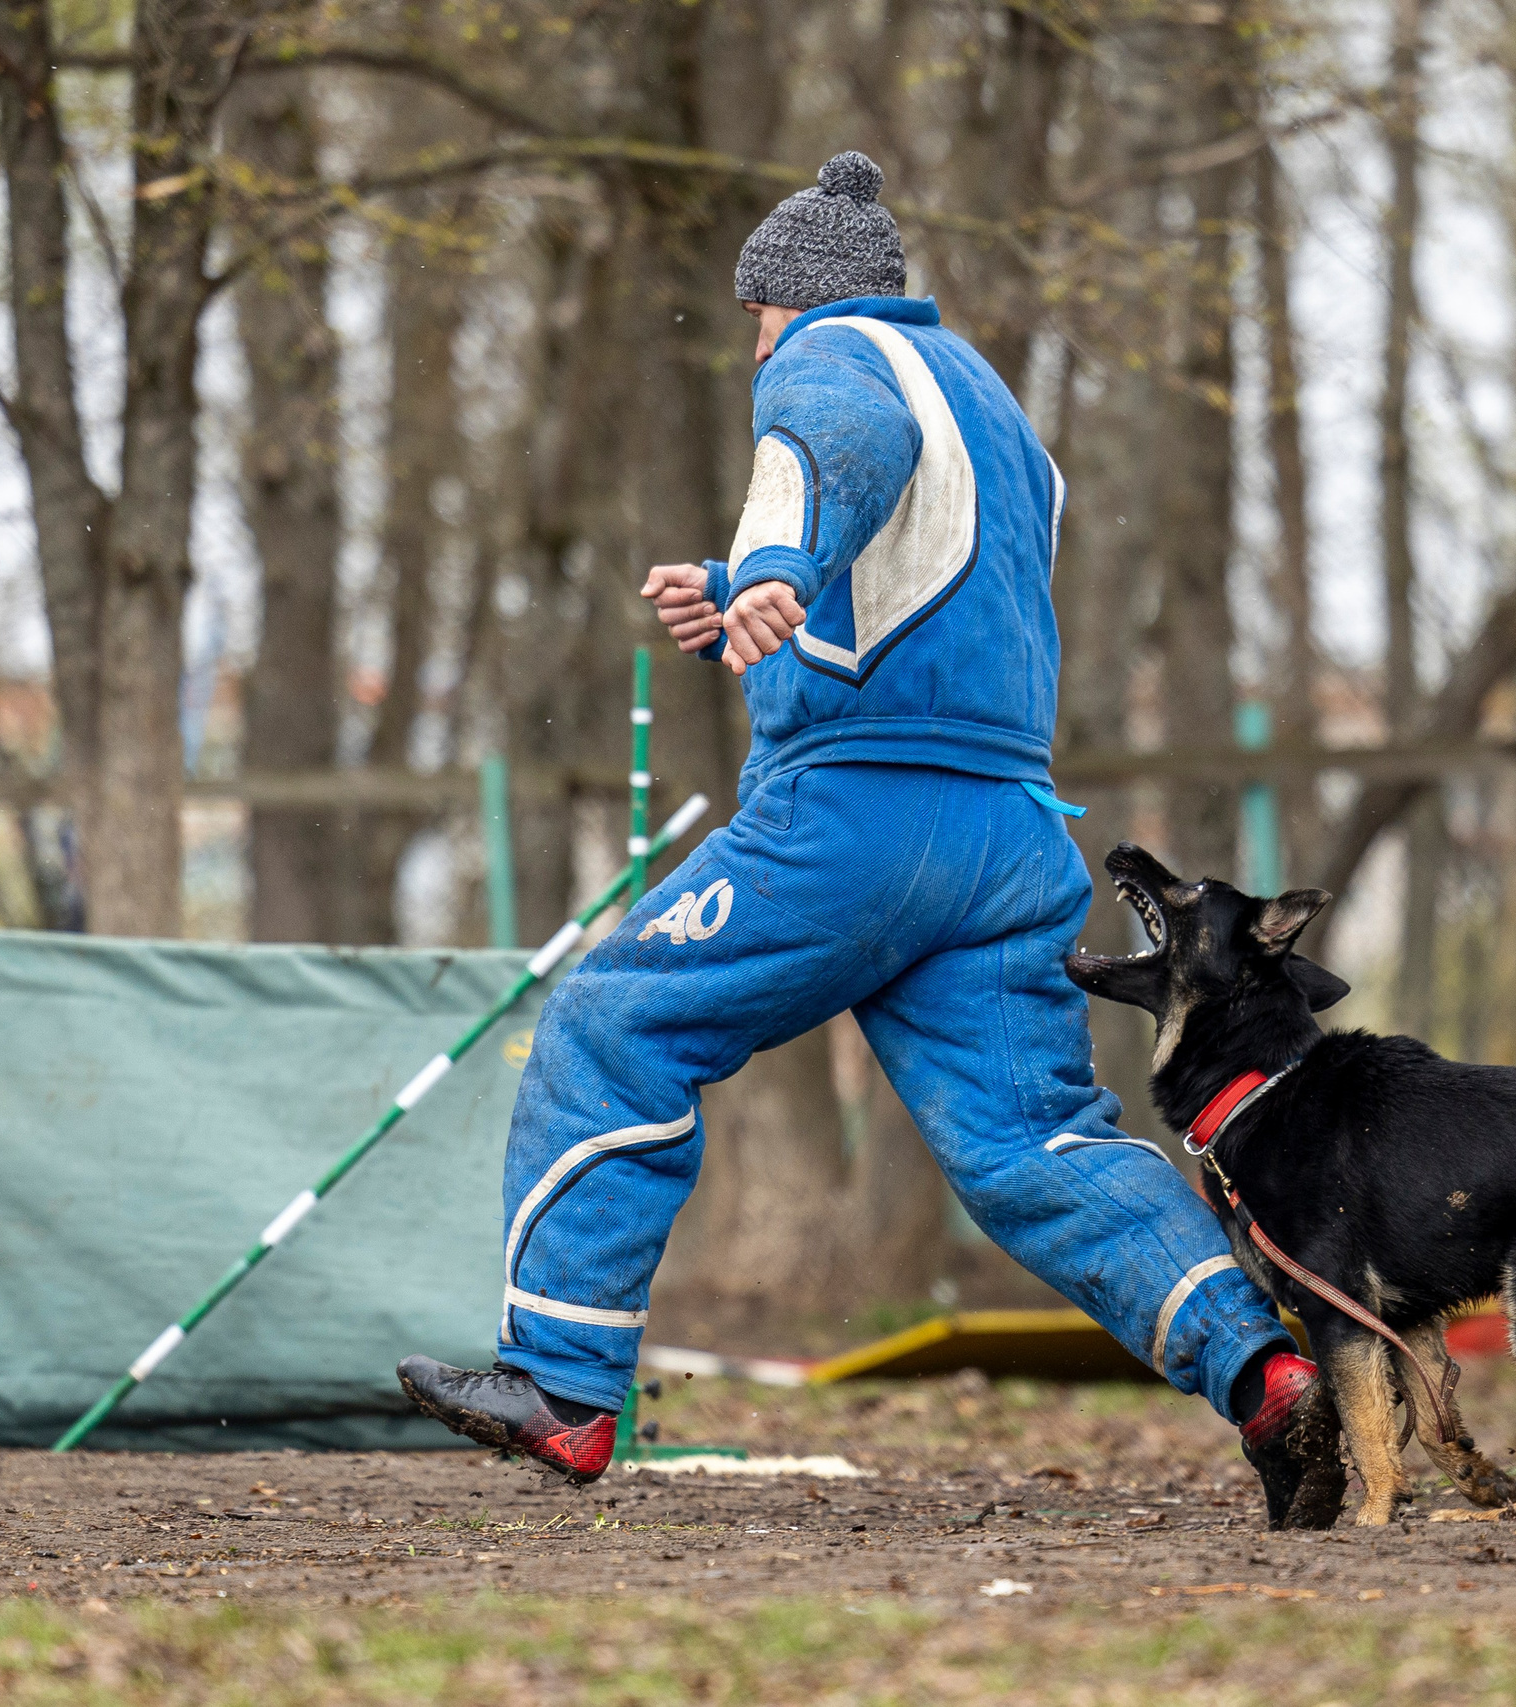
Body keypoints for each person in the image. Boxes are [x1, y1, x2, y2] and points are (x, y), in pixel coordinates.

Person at [397, 151, 1345, 1529]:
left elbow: (834, 442)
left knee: (612, 1023)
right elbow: (944, 567)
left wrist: (773, 570)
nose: (754, 346)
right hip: (1012, 834)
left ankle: (562, 1389)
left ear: (785, 300)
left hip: (856, 817)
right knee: (1034, 1143)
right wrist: (736, 587)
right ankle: (1265, 1380)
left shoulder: (834, 355)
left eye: (753, 320)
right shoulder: (999, 409)